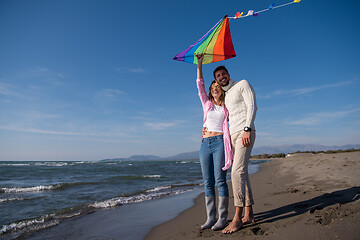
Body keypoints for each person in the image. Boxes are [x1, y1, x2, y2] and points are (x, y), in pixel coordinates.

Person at [212, 65, 257, 234]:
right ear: (216, 80)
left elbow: (252, 106)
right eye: (218, 76)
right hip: (232, 136)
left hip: (245, 133)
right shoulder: (225, 95)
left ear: (228, 74)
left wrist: (247, 129)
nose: (221, 77)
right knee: (242, 173)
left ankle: (237, 218)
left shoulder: (242, 84)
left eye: (223, 74)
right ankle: (249, 213)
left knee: (236, 173)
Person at [196, 54, 234, 231]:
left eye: (218, 86)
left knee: (220, 180)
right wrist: (200, 63)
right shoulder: (206, 104)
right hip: (205, 144)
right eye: (213, 87)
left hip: (219, 142)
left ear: (222, 89)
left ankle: (223, 218)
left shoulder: (226, 106)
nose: (215, 88)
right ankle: (210, 218)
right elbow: (199, 84)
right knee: (207, 181)